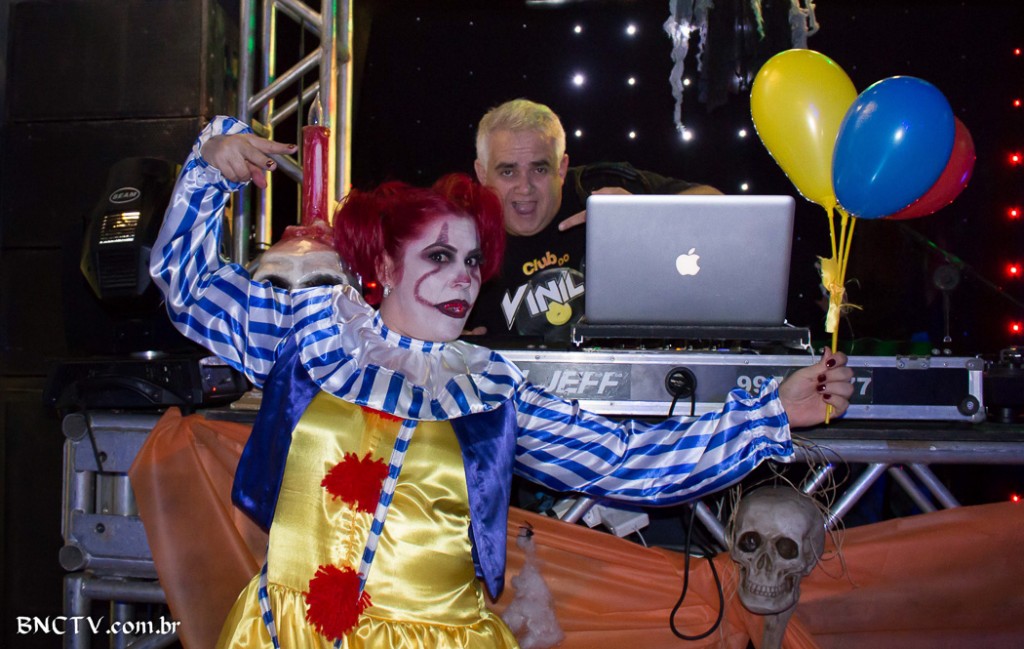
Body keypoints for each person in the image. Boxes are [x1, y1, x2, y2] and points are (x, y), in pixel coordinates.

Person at [149, 115, 854, 648]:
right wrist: (210, 167)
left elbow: (626, 461)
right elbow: (187, 285)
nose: (462, 277)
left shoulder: (489, 387)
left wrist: (770, 414)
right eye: (439, 256)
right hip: (290, 631)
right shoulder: (313, 334)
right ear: (387, 267)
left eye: (472, 260)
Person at [468, 98, 721, 343]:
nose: (525, 187)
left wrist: (646, 216)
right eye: (508, 171)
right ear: (482, 173)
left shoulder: (597, 190)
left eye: (540, 169)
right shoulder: (464, 235)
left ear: (561, 169)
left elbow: (716, 205)